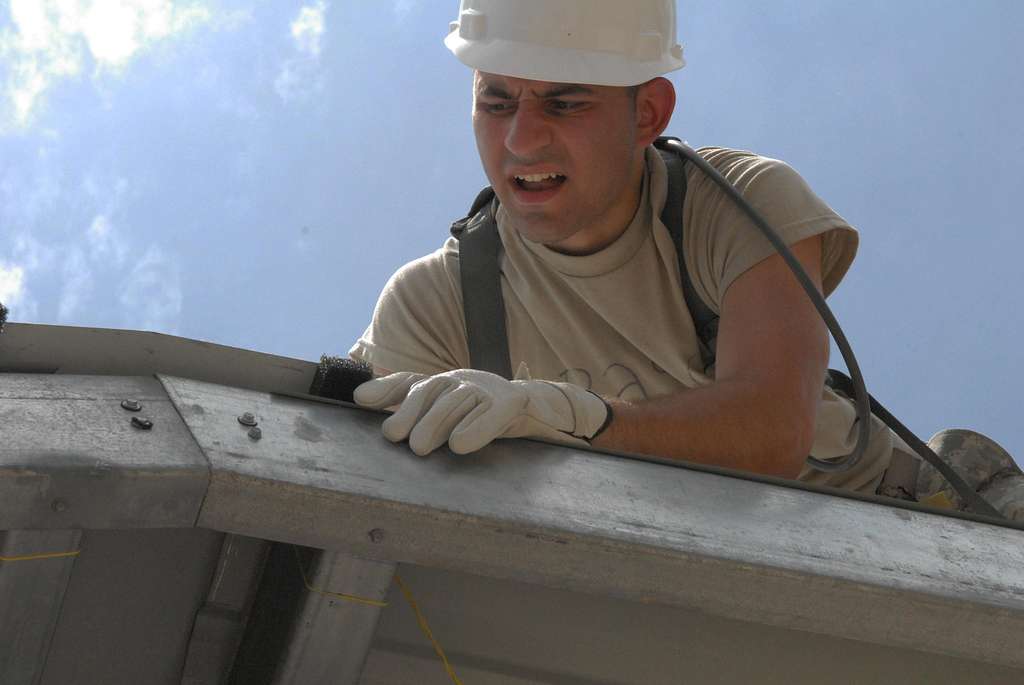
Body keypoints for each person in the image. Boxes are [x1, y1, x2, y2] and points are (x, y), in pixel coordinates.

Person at [347, 0, 1015, 507]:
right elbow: (346, 463)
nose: (521, 139)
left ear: (648, 114)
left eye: (564, 101)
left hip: (895, 517)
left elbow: (770, 432)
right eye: (496, 99)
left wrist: (571, 416)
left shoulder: (736, 202)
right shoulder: (436, 306)